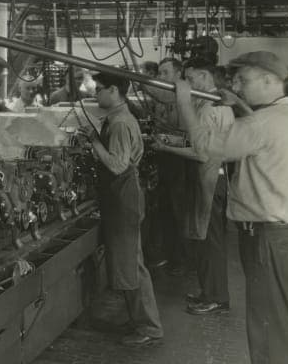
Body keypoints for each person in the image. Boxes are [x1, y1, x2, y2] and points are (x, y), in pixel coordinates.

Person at [174, 51, 288, 364]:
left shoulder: (261, 123)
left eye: (242, 80)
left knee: (269, 333)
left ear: (267, 80)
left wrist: (183, 101)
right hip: (285, 235)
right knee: (285, 332)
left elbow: (208, 148)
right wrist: (237, 105)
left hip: (268, 239)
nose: (236, 86)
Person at [81, 71, 164, 347]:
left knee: (132, 264)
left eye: (100, 89)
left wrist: (93, 141)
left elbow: (117, 165)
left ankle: (149, 327)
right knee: (128, 263)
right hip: (121, 196)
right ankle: (139, 319)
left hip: (123, 198)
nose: (96, 94)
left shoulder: (119, 123)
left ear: (114, 90)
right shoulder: (118, 118)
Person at [152, 58, 235, 315]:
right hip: (213, 179)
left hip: (211, 181)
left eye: (190, 79)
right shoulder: (216, 104)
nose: (186, 84)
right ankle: (210, 292)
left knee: (210, 242)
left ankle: (216, 297)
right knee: (207, 240)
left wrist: (167, 147)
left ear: (204, 77)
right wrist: (175, 140)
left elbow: (202, 154)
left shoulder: (211, 109)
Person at [148, 57, 189, 274]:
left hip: (180, 163)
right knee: (165, 211)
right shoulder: (164, 97)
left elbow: (190, 140)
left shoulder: (183, 98)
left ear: (178, 74)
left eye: (165, 73)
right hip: (165, 161)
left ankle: (181, 261)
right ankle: (170, 256)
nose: (160, 77)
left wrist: (162, 141)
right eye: (159, 73)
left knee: (178, 212)